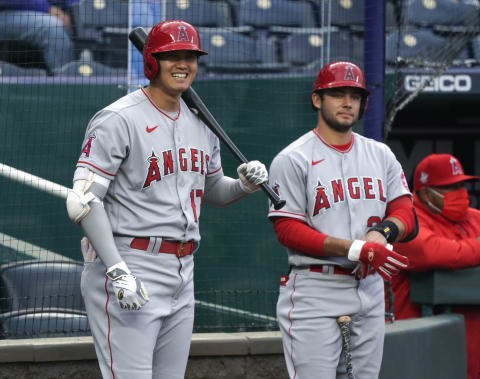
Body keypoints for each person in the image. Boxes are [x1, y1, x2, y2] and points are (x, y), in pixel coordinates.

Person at [65, 20, 268, 379]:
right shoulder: (117, 119)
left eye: (190, 56)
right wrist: (117, 270)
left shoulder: (202, 122)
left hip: (182, 268)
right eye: (171, 55)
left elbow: (212, 191)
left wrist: (243, 187)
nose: (183, 64)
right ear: (151, 62)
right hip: (131, 261)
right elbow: (82, 202)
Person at [267, 61, 418, 379]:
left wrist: (383, 233)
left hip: (370, 286)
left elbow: (406, 212)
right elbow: (287, 229)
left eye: (354, 95)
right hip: (315, 287)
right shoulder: (293, 158)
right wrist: (354, 249)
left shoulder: (380, 154)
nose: (348, 102)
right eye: (337, 93)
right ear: (317, 99)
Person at [390, 153, 480, 379]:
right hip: (421, 339)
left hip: (473, 342)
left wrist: (463, 251)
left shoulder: (474, 218)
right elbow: (429, 253)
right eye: (450, 187)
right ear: (425, 192)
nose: (460, 192)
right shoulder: (406, 220)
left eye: (461, 184)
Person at [0, 0, 76, 72]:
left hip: (41, 11)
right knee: (52, 28)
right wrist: (47, 9)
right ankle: (65, 82)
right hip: (6, 12)